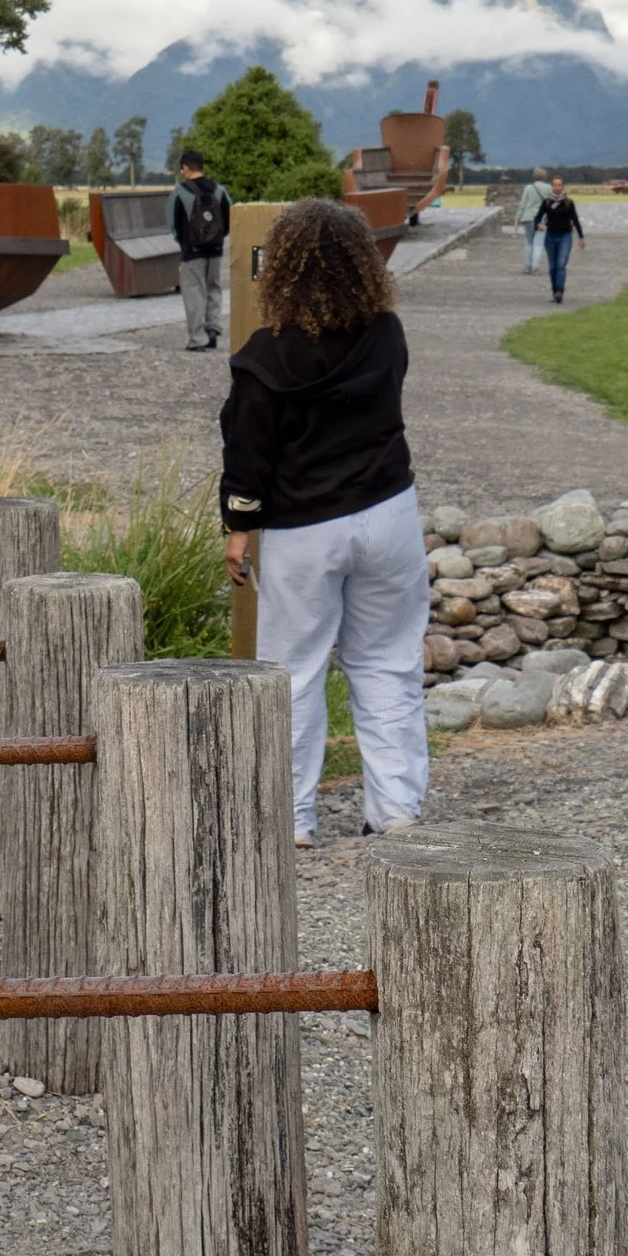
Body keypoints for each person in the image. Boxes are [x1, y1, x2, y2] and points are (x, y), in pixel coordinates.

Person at [218, 197, 429, 849]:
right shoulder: (386, 334)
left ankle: (293, 822)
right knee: (388, 665)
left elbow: (248, 455)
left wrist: (237, 525)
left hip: (305, 529)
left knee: (294, 674)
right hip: (389, 514)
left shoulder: (265, 359)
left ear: (281, 268)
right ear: (363, 264)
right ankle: (396, 815)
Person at [172, 148, 231, 351]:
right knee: (214, 288)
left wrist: (184, 243)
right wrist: (217, 239)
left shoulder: (180, 192)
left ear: (186, 168)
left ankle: (198, 338)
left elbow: (173, 223)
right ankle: (212, 332)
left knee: (194, 292)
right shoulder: (219, 190)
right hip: (215, 249)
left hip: (192, 251)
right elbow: (229, 218)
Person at [532, 176, 585, 304]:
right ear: (552, 187)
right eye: (555, 185)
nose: (557, 187)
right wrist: (538, 225)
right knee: (552, 266)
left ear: (563, 187)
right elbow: (537, 218)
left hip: (565, 236)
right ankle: (554, 291)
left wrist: (581, 237)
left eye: (559, 185)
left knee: (561, 264)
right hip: (550, 236)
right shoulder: (547, 202)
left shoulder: (568, 203)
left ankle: (559, 291)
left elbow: (576, 220)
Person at [515, 168, 553, 274]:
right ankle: (535, 268)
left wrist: (517, 218)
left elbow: (523, 204)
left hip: (528, 218)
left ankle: (527, 266)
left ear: (534, 176)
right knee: (538, 243)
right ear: (544, 177)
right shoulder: (548, 188)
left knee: (529, 242)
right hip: (541, 219)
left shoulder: (528, 188)